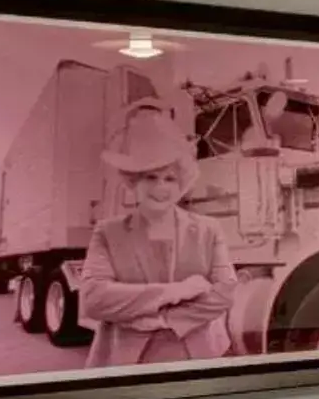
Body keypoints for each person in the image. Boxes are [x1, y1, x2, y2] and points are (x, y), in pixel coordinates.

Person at [75, 101, 236, 367]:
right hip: (128, 364)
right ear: (133, 181)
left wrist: (161, 320)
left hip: (200, 359)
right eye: (150, 177)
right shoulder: (107, 232)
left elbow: (225, 293)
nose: (161, 188)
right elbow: (93, 300)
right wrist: (176, 291)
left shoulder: (209, 229)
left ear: (181, 182)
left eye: (170, 178)